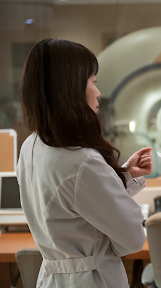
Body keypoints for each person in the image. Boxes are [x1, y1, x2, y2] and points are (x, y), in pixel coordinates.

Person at [17, 39, 152, 288]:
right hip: (92, 279)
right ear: (70, 88)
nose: (98, 92)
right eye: (93, 81)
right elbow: (132, 239)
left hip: (52, 278)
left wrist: (124, 176)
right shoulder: (82, 161)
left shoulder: (31, 146)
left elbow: (74, 206)